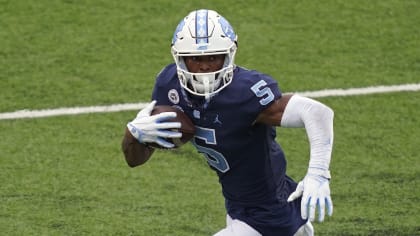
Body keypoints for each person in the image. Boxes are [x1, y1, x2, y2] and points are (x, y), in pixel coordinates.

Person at [122, 9, 334, 236]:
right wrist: (134, 135)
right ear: (180, 58)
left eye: (212, 57)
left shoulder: (246, 91)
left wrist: (318, 173)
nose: (204, 66)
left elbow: (317, 112)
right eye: (195, 59)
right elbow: (135, 160)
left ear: (228, 55)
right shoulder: (169, 86)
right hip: (241, 208)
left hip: (271, 214)